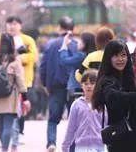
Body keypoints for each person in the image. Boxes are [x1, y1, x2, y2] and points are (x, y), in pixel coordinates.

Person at [92, 40, 136, 152]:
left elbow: (133, 102)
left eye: (123, 55)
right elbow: (114, 97)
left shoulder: (129, 77)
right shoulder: (107, 80)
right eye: (116, 55)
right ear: (108, 58)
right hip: (121, 137)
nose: (120, 59)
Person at [0, 33, 30, 152]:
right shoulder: (15, 59)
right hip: (10, 98)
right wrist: (25, 98)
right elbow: (20, 81)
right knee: (8, 126)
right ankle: (4, 149)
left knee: (1, 126)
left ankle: (3, 148)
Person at [39, 16, 77, 152]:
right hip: (74, 86)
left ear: (59, 28)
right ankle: (73, 145)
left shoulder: (51, 44)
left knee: (53, 118)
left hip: (55, 86)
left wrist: (44, 84)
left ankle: (51, 143)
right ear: (73, 29)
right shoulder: (76, 44)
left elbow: (43, 66)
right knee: (75, 118)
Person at [5, 16, 39, 150]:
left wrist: (19, 58)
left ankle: (19, 132)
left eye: (15, 24)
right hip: (7, 81)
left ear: (20, 25)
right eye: (9, 23)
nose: (12, 26)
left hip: (24, 79)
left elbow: (34, 56)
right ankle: (11, 135)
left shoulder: (27, 40)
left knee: (22, 108)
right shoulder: (2, 39)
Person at [61, 70, 105, 152]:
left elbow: (107, 126)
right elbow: (71, 128)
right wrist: (65, 146)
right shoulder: (76, 105)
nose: (89, 86)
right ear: (82, 85)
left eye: (92, 83)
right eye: (86, 84)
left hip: (99, 147)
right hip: (81, 147)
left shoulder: (102, 105)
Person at [60, 31, 96, 109]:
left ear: (85, 43)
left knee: (75, 112)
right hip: (88, 88)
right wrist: (69, 43)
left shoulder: (81, 56)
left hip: (77, 88)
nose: (78, 43)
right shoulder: (90, 55)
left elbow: (64, 60)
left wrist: (64, 47)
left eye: (80, 41)